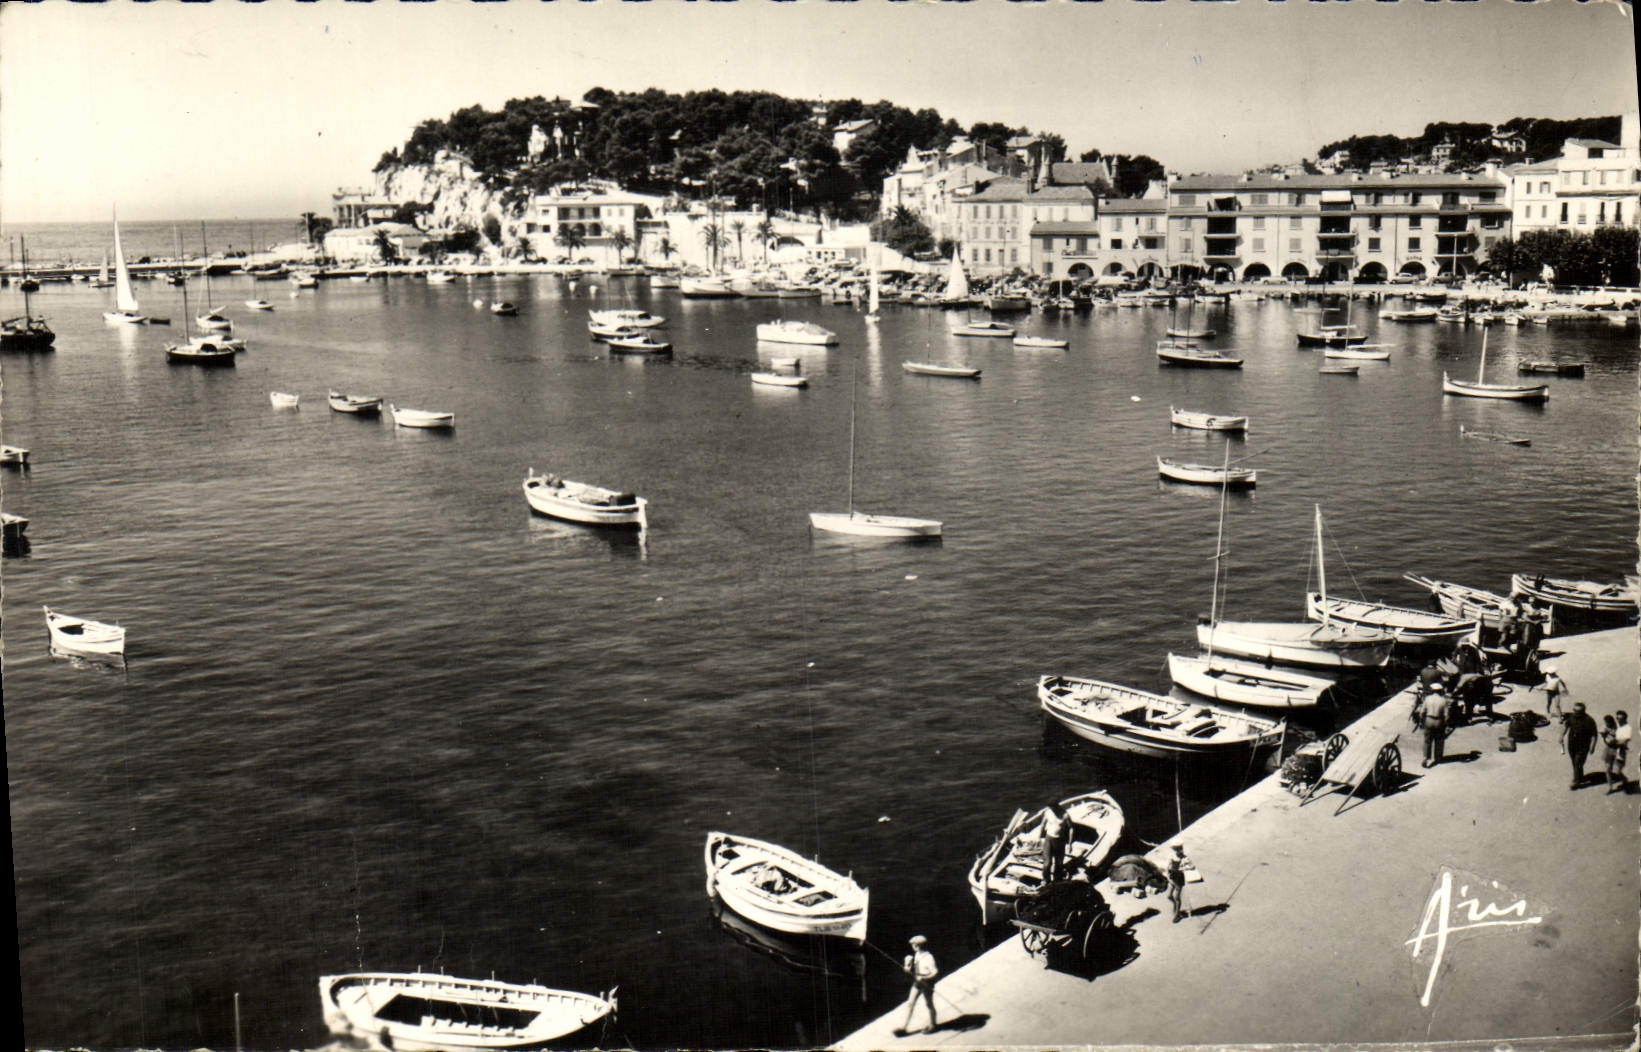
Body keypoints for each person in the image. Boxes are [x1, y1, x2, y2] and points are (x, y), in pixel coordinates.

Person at [897, 935, 939, 1036]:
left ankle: (933, 1025)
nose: (912, 946)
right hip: (917, 982)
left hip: (927, 982)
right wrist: (908, 966)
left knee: (929, 1004)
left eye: (913, 944)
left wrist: (925, 978)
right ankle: (904, 1027)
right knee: (910, 1003)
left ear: (918, 946)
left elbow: (935, 972)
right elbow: (915, 969)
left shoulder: (929, 957)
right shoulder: (917, 955)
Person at [1559, 702, 1599, 789]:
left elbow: (1594, 735)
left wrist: (1592, 747)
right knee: (1575, 762)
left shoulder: (1589, 720)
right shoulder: (1572, 717)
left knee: (1578, 762)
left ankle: (1576, 782)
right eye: (1574, 710)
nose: (1575, 712)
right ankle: (1579, 777)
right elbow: (1566, 726)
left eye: (1577, 711)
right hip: (1572, 744)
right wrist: (1561, 736)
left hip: (1583, 746)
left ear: (1583, 711)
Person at [1419, 682, 1448, 768]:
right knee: (1439, 740)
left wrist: (1421, 720)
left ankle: (1425, 757)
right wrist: (1445, 724)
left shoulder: (1428, 699)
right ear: (1440, 691)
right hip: (1439, 721)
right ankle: (1437, 757)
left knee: (1427, 740)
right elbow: (1447, 715)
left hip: (1429, 720)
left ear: (1432, 690)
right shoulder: (1443, 700)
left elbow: (1422, 712)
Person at [1166, 843, 1195, 923]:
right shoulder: (1171, 855)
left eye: (1178, 849)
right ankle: (1175, 906)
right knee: (1169, 896)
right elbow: (1168, 866)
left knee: (1176, 897)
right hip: (1172, 877)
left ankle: (1177, 914)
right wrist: (1167, 873)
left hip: (1179, 878)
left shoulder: (1184, 858)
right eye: (1175, 849)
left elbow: (1192, 866)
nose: (1177, 851)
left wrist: (1184, 868)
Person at [1041, 803, 1068, 885]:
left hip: (1060, 840)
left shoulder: (1065, 815)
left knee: (1059, 862)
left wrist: (1069, 843)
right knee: (1047, 862)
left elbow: (1071, 828)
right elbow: (1042, 825)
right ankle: (1046, 879)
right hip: (1049, 838)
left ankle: (1057, 879)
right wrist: (1039, 838)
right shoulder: (1047, 812)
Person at [1608, 711, 1631, 793]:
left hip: (1620, 751)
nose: (1618, 720)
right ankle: (1610, 788)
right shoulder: (1616, 725)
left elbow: (1624, 741)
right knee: (1608, 769)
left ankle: (1625, 780)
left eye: (1621, 719)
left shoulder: (1627, 728)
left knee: (1618, 771)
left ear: (1625, 719)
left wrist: (1613, 741)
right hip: (1611, 749)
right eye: (1617, 718)